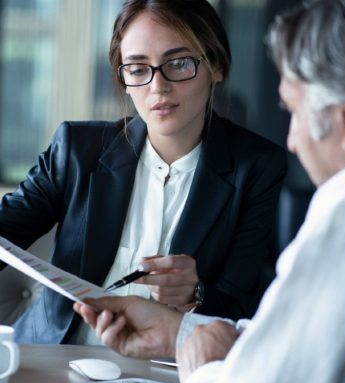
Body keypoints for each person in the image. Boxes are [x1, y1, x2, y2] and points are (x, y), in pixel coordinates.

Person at [74, 0, 345, 383]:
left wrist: (203, 369)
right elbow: (297, 342)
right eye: (138, 68)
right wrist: (178, 333)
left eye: (295, 113)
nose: (292, 140)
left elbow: (275, 376)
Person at [0, 0, 287, 344]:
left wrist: (196, 293)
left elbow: (242, 305)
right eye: (137, 69)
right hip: (55, 359)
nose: (158, 87)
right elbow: (6, 233)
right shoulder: (77, 149)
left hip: (166, 369)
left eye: (179, 63)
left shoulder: (256, 167)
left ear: (217, 66)